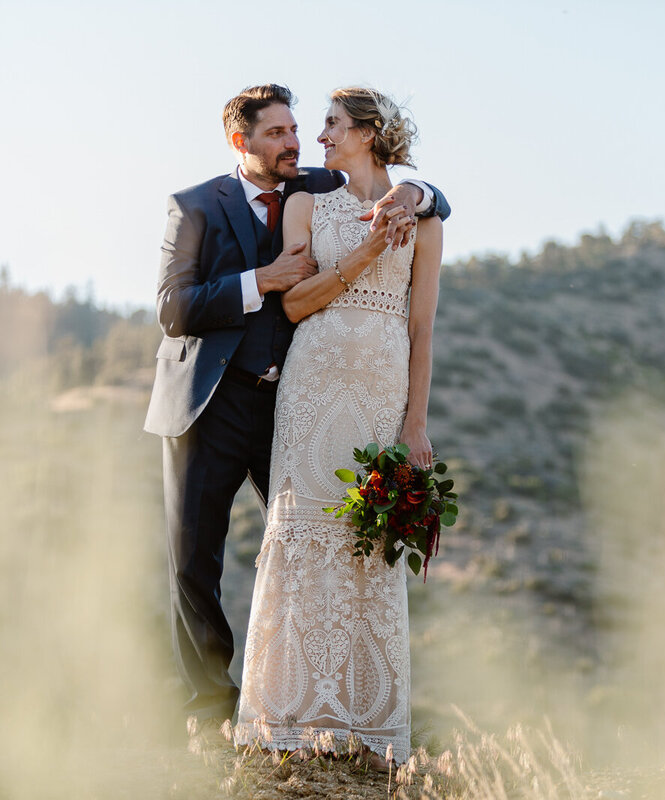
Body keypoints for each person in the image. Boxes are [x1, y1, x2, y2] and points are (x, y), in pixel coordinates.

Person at [143, 84, 450, 724]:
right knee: (195, 558)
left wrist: (418, 195)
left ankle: (326, 701)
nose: (295, 143)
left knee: (326, 538)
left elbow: (424, 194)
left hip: (287, 399)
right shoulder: (195, 205)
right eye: (277, 133)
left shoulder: (312, 184)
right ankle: (210, 712)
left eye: (296, 129)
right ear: (241, 141)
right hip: (209, 404)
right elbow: (174, 310)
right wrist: (260, 281)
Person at [233, 87, 443, 768]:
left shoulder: (424, 214)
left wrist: (415, 422)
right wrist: (362, 254)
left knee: (367, 540)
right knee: (300, 536)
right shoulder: (307, 204)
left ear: (368, 132)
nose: (319, 137)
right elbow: (293, 304)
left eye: (331, 125)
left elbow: (422, 326)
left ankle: (364, 728)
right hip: (313, 382)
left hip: (382, 388)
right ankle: (286, 721)